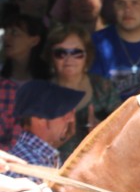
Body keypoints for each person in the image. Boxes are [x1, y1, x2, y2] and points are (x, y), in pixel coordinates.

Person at [43, 23, 121, 162]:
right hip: (54, 172)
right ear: (51, 57)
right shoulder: (40, 94)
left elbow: (123, 132)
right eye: (60, 53)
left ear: (87, 55)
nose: (69, 59)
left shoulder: (103, 87)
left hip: (98, 169)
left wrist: (102, 133)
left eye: (76, 53)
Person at [6, 80, 84, 181]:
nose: (71, 119)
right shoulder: (31, 166)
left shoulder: (38, 156)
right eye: (64, 113)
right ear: (40, 119)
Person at [1, 14, 48, 85]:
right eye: (5, 32)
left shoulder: (48, 82)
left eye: (14, 33)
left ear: (34, 41)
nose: (6, 37)